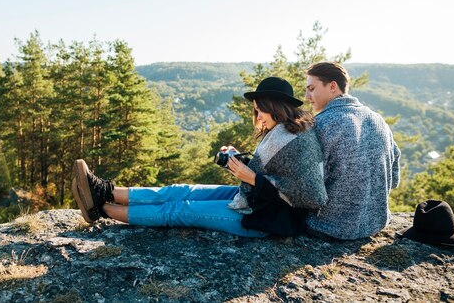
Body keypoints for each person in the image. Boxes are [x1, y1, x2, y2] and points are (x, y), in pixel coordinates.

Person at [72, 77, 327, 238]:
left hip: (265, 218)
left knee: (178, 210)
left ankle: (100, 208)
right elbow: (272, 174)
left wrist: (251, 177)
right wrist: (238, 164)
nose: (258, 116)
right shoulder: (283, 131)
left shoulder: (297, 140)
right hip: (254, 198)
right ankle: (105, 190)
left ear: (276, 108)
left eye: (260, 110)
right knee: (180, 190)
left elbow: (312, 197)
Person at [304, 61, 401, 240]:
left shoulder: (321, 125)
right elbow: (394, 180)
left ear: (332, 86)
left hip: (328, 227)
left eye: (311, 88)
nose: (307, 96)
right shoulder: (379, 120)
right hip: (375, 223)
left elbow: (309, 191)